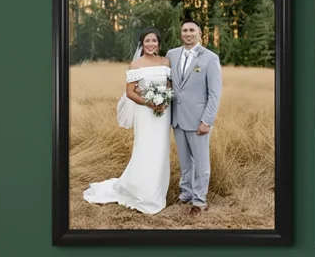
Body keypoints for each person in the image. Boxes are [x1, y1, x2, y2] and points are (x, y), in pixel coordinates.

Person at [83, 28, 173, 215]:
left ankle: (158, 191)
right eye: (147, 41)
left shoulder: (166, 61)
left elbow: (169, 86)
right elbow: (130, 92)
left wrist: (164, 100)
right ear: (142, 43)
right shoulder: (136, 64)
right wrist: (150, 103)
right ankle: (144, 192)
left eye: (154, 41)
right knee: (145, 149)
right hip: (145, 114)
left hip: (163, 113)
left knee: (161, 150)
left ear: (159, 43)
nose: (150, 44)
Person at [167, 19, 222, 214]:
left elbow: (215, 93)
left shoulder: (210, 58)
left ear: (199, 33)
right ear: (180, 33)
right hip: (178, 119)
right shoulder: (172, 55)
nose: (188, 33)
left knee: (201, 162)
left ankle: (199, 201)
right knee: (184, 161)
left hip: (199, 120)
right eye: (184, 30)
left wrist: (207, 120)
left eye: (192, 30)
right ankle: (185, 194)